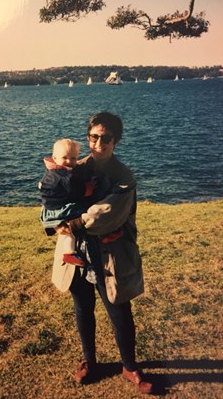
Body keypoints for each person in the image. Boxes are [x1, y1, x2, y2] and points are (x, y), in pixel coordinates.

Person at [51, 112, 153, 394]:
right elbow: (52, 198)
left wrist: (73, 223)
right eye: (93, 137)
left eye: (105, 138)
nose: (98, 143)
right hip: (76, 253)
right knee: (82, 307)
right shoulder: (72, 168)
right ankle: (89, 360)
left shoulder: (124, 177)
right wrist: (52, 220)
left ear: (115, 141)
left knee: (118, 310)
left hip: (109, 254)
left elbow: (108, 213)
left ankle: (129, 366)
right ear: (88, 138)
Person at [39, 138, 109, 267]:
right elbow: (72, 189)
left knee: (69, 228)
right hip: (59, 208)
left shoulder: (54, 170)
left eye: (73, 158)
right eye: (65, 158)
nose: (69, 162)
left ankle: (69, 252)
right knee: (87, 209)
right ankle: (106, 232)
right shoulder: (62, 176)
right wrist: (86, 190)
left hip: (53, 206)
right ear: (54, 157)